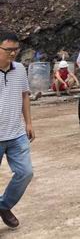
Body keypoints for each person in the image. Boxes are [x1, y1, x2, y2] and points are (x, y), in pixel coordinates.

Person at [0, 32, 34, 229]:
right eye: (8, 50)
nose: (13, 54)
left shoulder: (20, 69)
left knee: (25, 173)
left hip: (16, 133)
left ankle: (4, 205)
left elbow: (24, 95)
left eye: (16, 50)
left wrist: (28, 123)